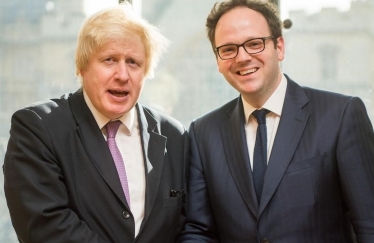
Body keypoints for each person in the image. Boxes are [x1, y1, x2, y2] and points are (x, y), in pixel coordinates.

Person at [177, 0, 374, 242]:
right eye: (228, 49)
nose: (242, 57)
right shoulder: (203, 133)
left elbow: (369, 224)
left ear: (279, 47)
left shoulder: (341, 115)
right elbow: (199, 230)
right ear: (218, 60)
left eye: (254, 44)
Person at [3, 3, 188, 243]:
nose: (122, 75)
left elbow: (187, 225)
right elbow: (45, 227)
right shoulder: (37, 128)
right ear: (82, 66)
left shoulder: (174, 135)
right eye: (109, 60)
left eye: (133, 62)